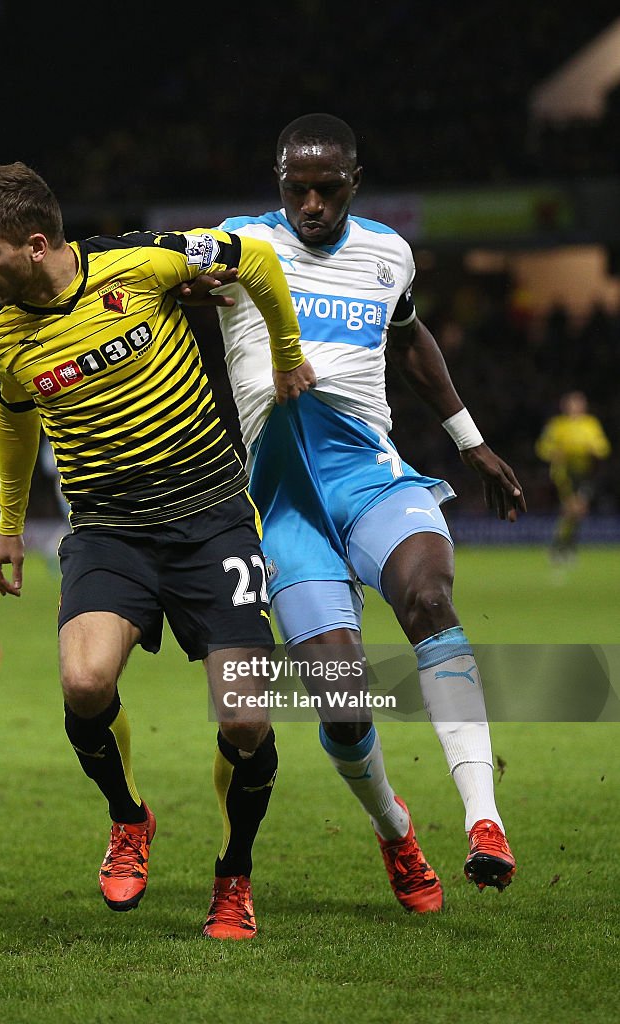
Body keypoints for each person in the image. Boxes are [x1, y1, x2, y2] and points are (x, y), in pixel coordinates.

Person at [0, 161, 315, 939]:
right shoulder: (0, 337)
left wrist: (285, 352)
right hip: (108, 529)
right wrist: (10, 525)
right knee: (84, 682)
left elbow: (250, 256)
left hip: (211, 516)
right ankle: (129, 818)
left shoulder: (139, 264)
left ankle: (233, 873)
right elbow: (14, 420)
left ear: (37, 242)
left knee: (246, 722)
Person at [178, 113, 525, 909]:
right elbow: (161, 270)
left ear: (353, 183)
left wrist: (468, 441)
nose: (310, 203)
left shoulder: (387, 253)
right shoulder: (237, 243)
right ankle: (395, 831)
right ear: (277, 182)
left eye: (326, 189)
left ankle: (483, 820)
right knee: (342, 697)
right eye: (295, 188)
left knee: (428, 597)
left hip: (370, 478)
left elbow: (408, 342)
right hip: (283, 506)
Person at [535, 390, 611, 564]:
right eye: (572, 403)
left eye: (578, 403)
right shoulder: (557, 425)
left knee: (576, 512)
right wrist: (554, 453)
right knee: (574, 508)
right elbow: (542, 446)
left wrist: (594, 450)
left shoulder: (591, 424)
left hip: (585, 473)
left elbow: (603, 447)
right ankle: (563, 548)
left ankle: (561, 546)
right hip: (564, 473)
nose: (575, 407)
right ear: (565, 406)